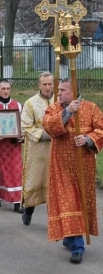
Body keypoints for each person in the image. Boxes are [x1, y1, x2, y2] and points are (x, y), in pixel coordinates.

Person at [42, 78, 103, 264]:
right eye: (58, 89)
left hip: (83, 165)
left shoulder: (92, 108)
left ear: (74, 90)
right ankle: (78, 247)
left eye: (62, 90)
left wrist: (87, 139)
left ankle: (70, 237)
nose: (58, 92)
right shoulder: (55, 108)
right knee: (69, 202)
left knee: (80, 202)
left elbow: (101, 130)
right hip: (61, 166)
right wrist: (67, 112)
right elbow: (49, 126)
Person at [20, 72, 54, 225]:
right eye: (44, 84)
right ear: (39, 85)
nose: (47, 87)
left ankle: (53, 219)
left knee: (55, 183)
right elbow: (26, 126)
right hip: (37, 150)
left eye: (50, 84)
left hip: (56, 149)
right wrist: (45, 135)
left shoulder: (60, 101)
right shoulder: (30, 103)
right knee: (35, 181)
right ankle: (28, 210)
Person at [0, 79, 24, 213]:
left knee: (16, 172)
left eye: (8, 88)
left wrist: (21, 135)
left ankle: (18, 201)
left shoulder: (18, 105)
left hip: (13, 147)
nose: (6, 91)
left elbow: (23, 124)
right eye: (3, 89)